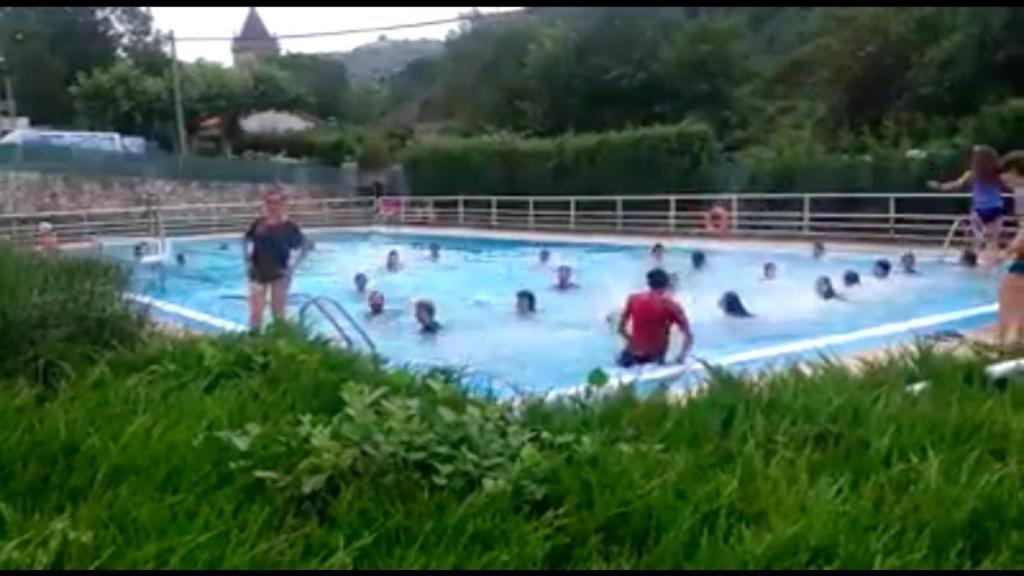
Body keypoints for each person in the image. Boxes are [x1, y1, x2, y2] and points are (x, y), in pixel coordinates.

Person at [243, 189, 309, 330]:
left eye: (276, 202)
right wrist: (246, 259)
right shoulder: (259, 223)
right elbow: (246, 240)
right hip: (257, 271)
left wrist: (293, 268)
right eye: (268, 202)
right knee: (255, 314)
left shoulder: (289, 227)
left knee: (278, 313)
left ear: (284, 204)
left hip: (279, 273)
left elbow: (306, 246)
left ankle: (278, 343)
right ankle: (254, 342)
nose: (272, 206)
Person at [928, 145, 1014, 251]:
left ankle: (976, 259)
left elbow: (954, 185)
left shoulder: (972, 174)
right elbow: (1009, 186)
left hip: (979, 210)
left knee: (978, 239)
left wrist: (939, 186)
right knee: (992, 241)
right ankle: (991, 260)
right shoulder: (996, 175)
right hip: (995, 209)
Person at [617, 268, 694, 367]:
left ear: (648, 284)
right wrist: (680, 358)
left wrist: (633, 342)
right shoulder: (671, 305)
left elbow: (620, 329)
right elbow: (689, 336)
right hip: (653, 356)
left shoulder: (633, 299)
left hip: (631, 353)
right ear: (667, 284)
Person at [997, 236, 1024, 346]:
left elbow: (1015, 247)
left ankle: (1003, 340)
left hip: (1018, 273)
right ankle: (1018, 339)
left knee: (1007, 311)